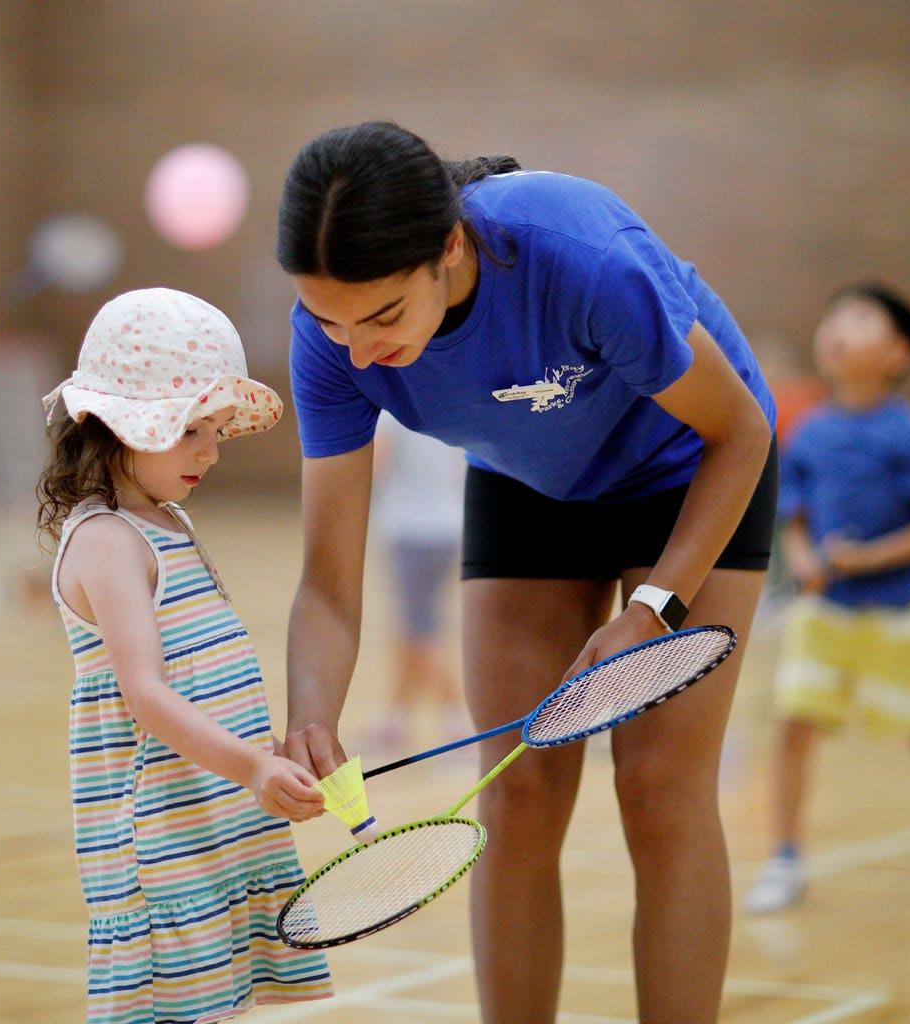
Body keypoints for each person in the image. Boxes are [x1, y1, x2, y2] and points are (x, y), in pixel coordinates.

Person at [276, 121, 777, 1024]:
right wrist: (311, 717)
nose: (356, 351)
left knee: (658, 792)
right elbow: (328, 581)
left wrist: (653, 610)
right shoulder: (330, 345)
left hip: (688, 466)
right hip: (529, 482)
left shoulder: (579, 256)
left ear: (448, 247)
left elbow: (739, 431)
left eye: (383, 317)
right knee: (515, 796)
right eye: (328, 320)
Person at [38, 288, 333, 1023]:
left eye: (217, 430)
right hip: (163, 837)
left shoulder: (167, 521)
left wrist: (270, 757)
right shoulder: (107, 540)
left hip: (213, 816)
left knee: (223, 1004)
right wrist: (252, 768)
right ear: (116, 424)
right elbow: (146, 694)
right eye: (189, 429)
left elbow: (205, 680)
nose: (210, 450)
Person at [743, 283, 910, 914]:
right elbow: (793, 516)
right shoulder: (810, 433)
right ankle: (784, 858)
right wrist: (803, 558)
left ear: (898, 353)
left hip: (901, 615)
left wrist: (867, 559)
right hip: (824, 617)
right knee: (793, 728)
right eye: (833, 318)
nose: (836, 328)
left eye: (859, 319)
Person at [361, 411, 467, 751]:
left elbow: (372, 463)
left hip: (413, 529)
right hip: (446, 523)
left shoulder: (390, 413)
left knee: (421, 631)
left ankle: (458, 720)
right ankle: (396, 717)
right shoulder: (440, 405)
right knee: (410, 627)